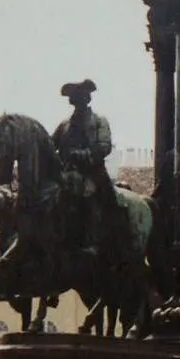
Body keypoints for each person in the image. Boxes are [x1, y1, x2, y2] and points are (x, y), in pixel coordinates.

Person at [52, 79, 116, 258]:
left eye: (77, 96)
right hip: (67, 175)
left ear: (86, 98)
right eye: (73, 97)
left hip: (92, 172)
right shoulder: (64, 126)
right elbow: (50, 146)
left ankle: (93, 241)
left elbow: (104, 146)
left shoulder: (98, 121)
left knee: (89, 195)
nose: (74, 100)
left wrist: (84, 154)